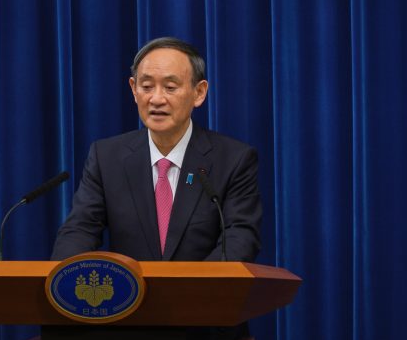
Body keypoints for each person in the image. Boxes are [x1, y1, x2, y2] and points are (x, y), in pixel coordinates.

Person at [51, 36, 262, 264]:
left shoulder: (233, 160)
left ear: (199, 93)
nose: (157, 99)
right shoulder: (106, 158)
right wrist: (63, 278)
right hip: (130, 298)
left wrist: (193, 292)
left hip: (201, 297)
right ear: (133, 89)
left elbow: (240, 238)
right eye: (147, 86)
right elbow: (80, 230)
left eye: (170, 88)